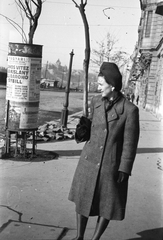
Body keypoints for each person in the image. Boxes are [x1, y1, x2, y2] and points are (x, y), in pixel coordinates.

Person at [68, 62, 140, 240]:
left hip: (111, 163)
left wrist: (125, 167)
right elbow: (90, 123)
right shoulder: (96, 101)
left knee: (107, 203)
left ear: (112, 85)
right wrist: (82, 129)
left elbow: (130, 143)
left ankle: (95, 238)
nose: (97, 87)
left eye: (101, 84)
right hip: (89, 159)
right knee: (82, 198)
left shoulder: (130, 111)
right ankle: (79, 237)